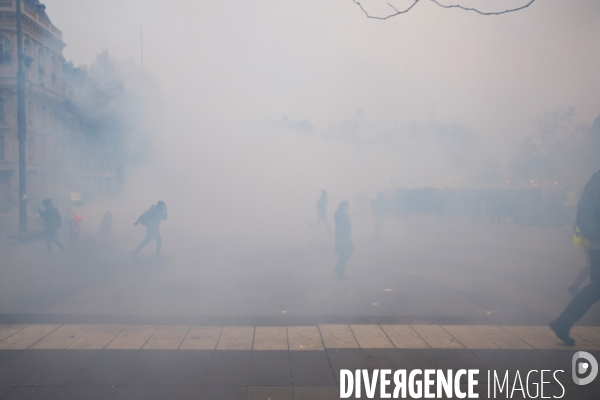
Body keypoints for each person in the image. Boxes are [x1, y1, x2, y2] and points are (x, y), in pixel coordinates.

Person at [550, 170, 600, 346]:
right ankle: (562, 322)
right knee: (595, 288)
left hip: (595, 243)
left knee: (595, 288)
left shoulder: (593, 182)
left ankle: (562, 323)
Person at [334, 201, 354, 279]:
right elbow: (343, 227)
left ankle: (339, 270)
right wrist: (347, 236)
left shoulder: (343, 215)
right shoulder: (340, 215)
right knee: (344, 255)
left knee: (344, 255)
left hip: (345, 238)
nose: (348, 208)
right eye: (346, 206)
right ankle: (340, 272)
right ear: (342, 207)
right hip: (343, 238)